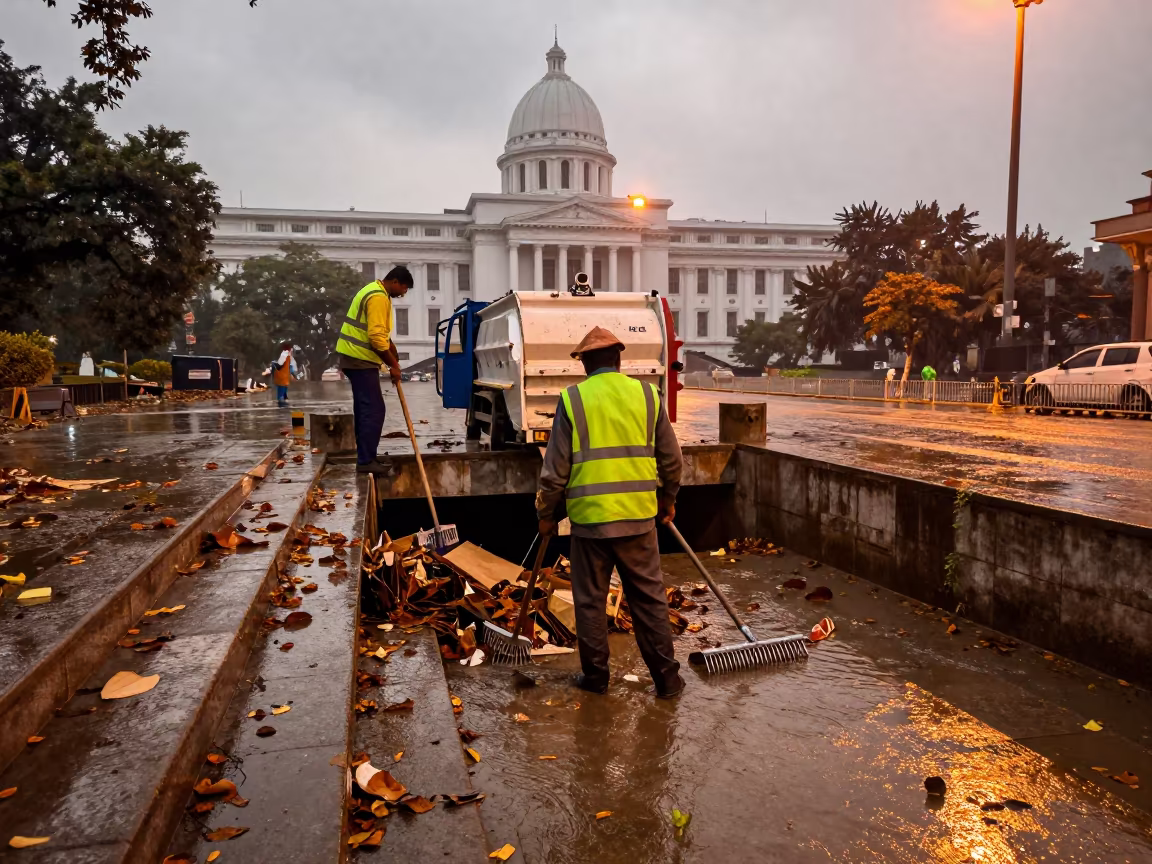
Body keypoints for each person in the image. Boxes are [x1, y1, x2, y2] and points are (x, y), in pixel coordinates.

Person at [536, 326, 686, 699]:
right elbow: (672, 460)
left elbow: (555, 470)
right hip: (638, 520)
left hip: (590, 523)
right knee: (649, 601)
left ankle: (596, 679)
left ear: (585, 363)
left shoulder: (573, 400)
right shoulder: (649, 396)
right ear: (618, 359)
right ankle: (667, 680)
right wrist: (667, 500)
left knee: (590, 602)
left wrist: (546, 513)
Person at [334, 266, 412, 473]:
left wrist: (392, 351)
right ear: (394, 281)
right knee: (374, 410)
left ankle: (366, 457)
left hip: (356, 358)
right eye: (403, 289)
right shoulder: (378, 297)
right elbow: (376, 338)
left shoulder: (371, 289)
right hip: (359, 359)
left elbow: (381, 334)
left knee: (365, 409)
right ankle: (366, 461)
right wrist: (393, 366)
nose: (403, 294)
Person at [270, 341, 298, 407]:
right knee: (282, 390)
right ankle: (282, 403)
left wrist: (273, 364)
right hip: (283, 376)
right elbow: (281, 364)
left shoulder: (285, 354)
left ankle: (282, 402)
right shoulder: (285, 354)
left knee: (281, 390)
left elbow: (280, 364)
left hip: (282, 376)